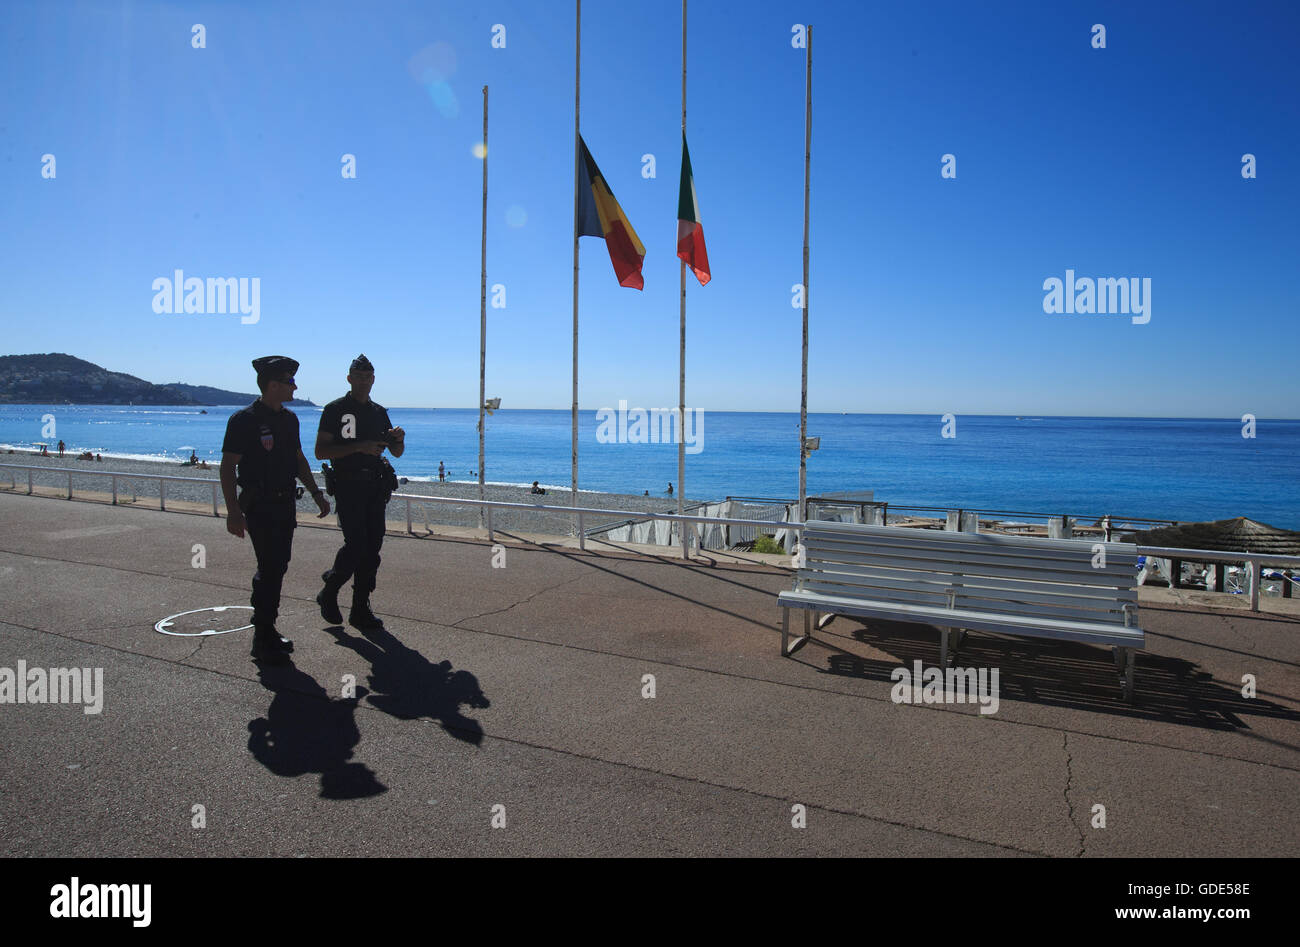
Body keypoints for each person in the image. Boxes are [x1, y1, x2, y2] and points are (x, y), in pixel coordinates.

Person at [221, 356, 330, 662]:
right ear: (272, 385)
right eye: (289, 382)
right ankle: (263, 632)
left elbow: (298, 460)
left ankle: (266, 627)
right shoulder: (244, 419)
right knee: (269, 567)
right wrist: (233, 511)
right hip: (259, 504)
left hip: (285, 504)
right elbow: (228, 466)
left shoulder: (289, 419)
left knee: (278, 565)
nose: (294, 386)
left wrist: (316, 493)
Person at [315, 354, 405, 632]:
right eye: (359, 376)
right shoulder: (335, 410)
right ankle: (330, 591)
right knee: (356, 545)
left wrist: (398, 440)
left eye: (369, 377)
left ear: (373, 380)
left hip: (375, 488)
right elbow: (321, 451)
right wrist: (359, 447)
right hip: (349, 485)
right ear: (349, 378)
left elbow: (397, 452)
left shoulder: (378, 411)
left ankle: (360, 608)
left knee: (372, 549)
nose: (365, 381)